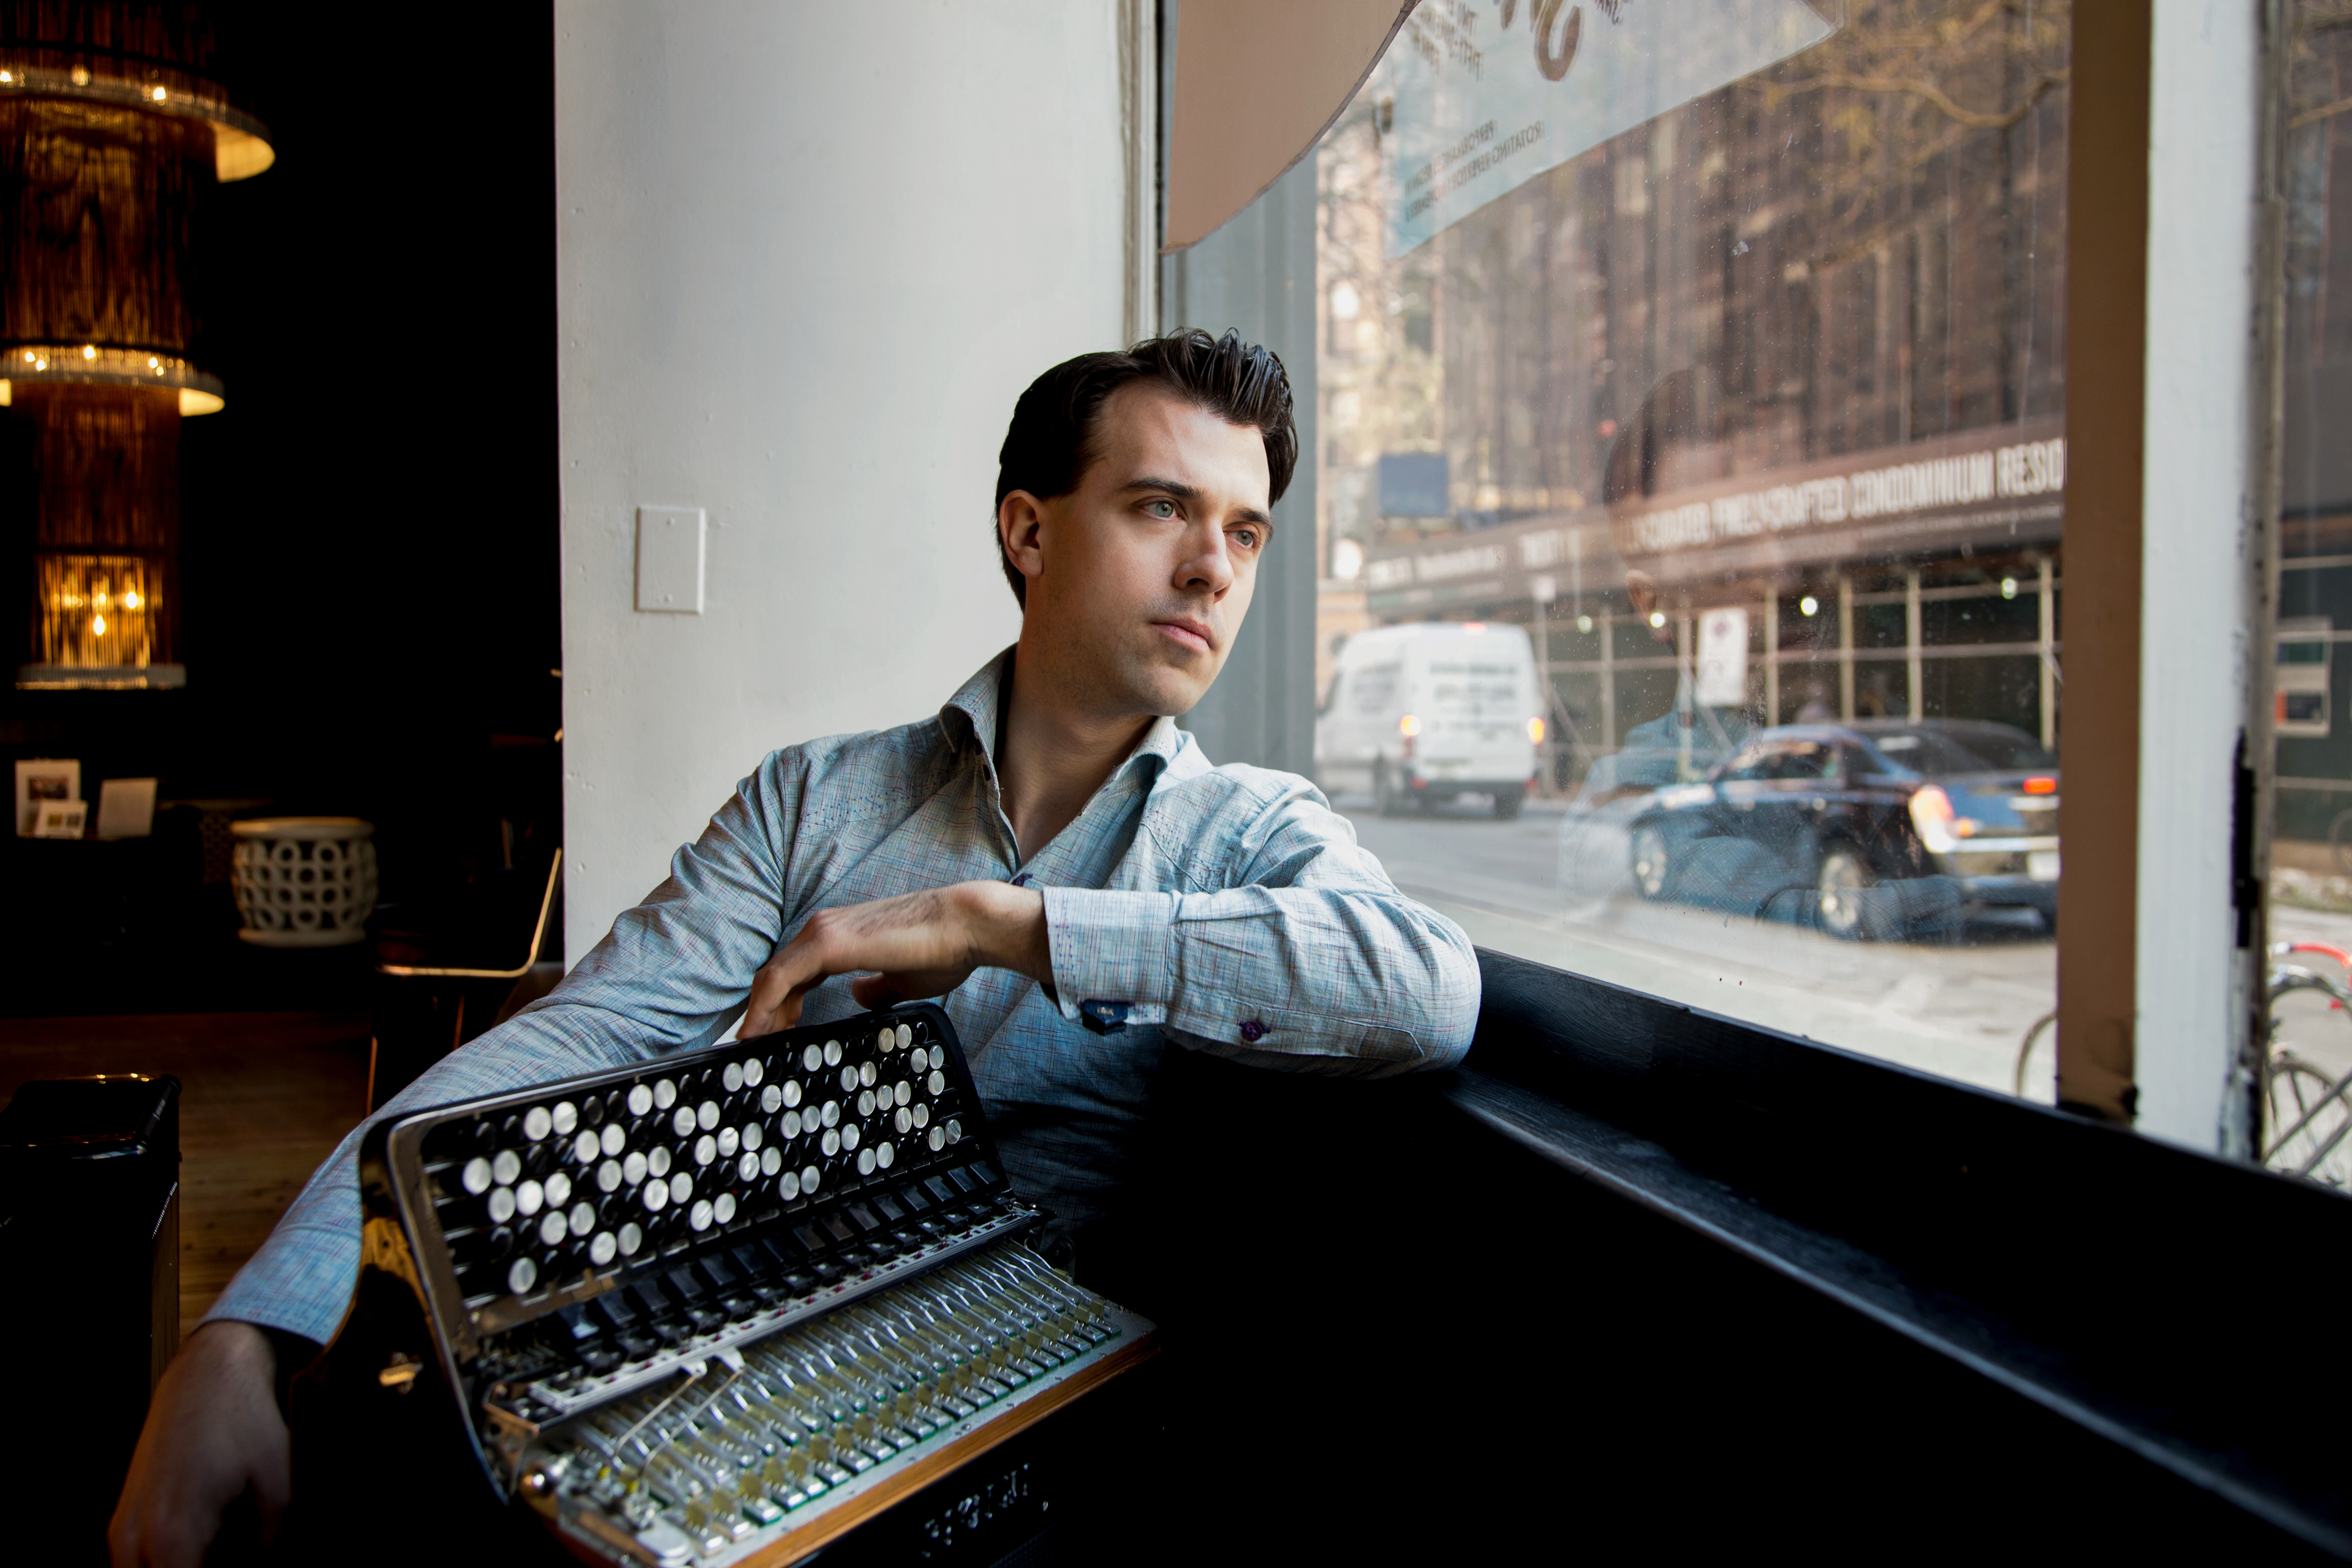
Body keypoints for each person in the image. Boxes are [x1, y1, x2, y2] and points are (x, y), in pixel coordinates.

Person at [107, 328, 1480, 1566]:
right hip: (736, 1360)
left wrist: (1000, 924)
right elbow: (583, 1039)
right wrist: (247, 1329)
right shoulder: (815, 800)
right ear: (1029, 529)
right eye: (1162, 507)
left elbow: (1427, 990)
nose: (1212, 569)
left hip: (1046, 1446)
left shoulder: (1242, 833)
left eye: (1247, 533)